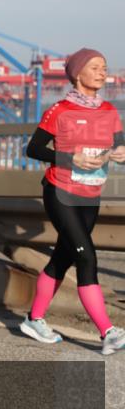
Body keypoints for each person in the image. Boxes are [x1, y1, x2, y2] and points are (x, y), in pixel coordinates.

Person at [20, 48, 125, 355]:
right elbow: (34, 148)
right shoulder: (59, 110)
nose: (102, 72)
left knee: (63, 259)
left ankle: (33, 319)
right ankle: (107, 332)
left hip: (91, 196)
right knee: (87, 258)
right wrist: (71, 158)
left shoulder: (110, 110)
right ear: (78, 73)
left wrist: (120, 153)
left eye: (104, 67)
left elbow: (119, 144)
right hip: (61, 192)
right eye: (95, 67)